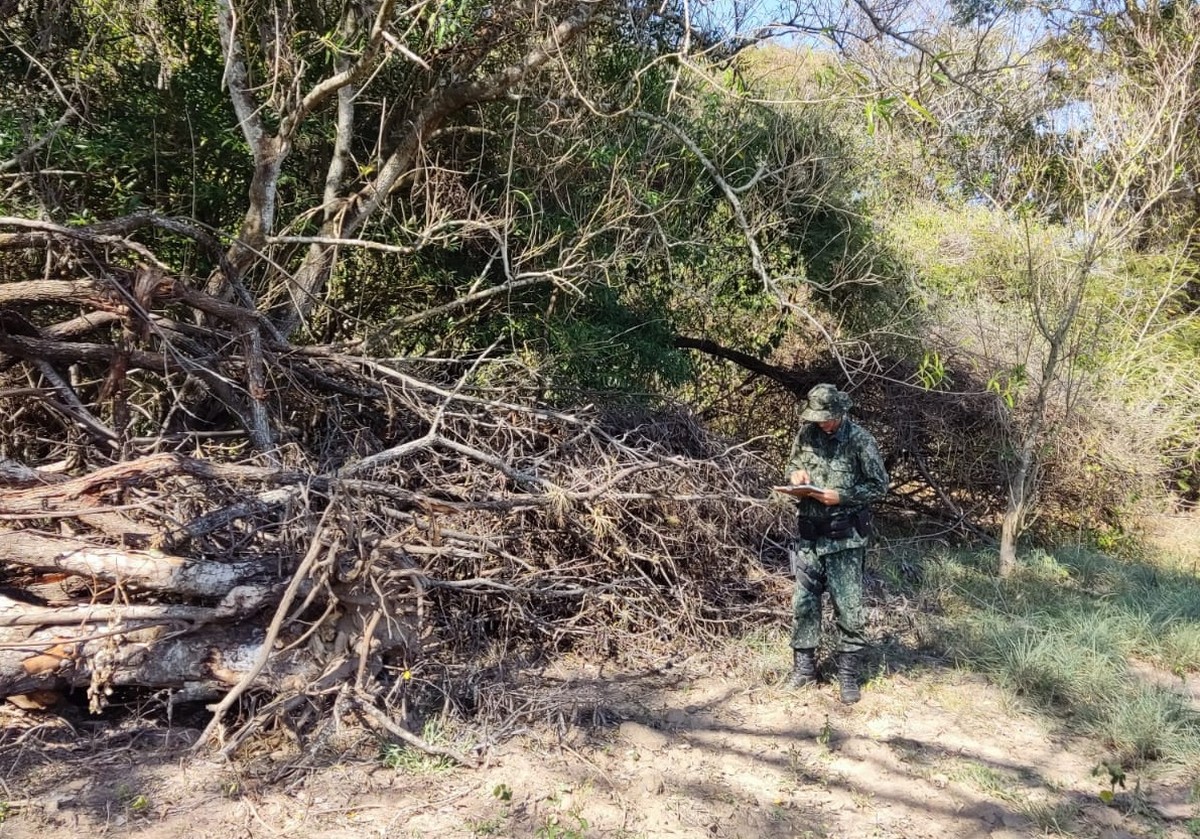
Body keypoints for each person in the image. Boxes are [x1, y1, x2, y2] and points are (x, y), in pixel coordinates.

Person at [780, 383, 888, 704]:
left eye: (827, 418)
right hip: (810, 535)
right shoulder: (806, 436)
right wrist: (796, 477)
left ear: (841, 413)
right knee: (804, 602)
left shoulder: (860, 441)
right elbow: (791, 467)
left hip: (845, 539)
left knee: (849, 607)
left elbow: (879, 485)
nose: (822, 423)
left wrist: (841, 496)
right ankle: (804, 670)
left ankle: (848, 676)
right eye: (818, 418)